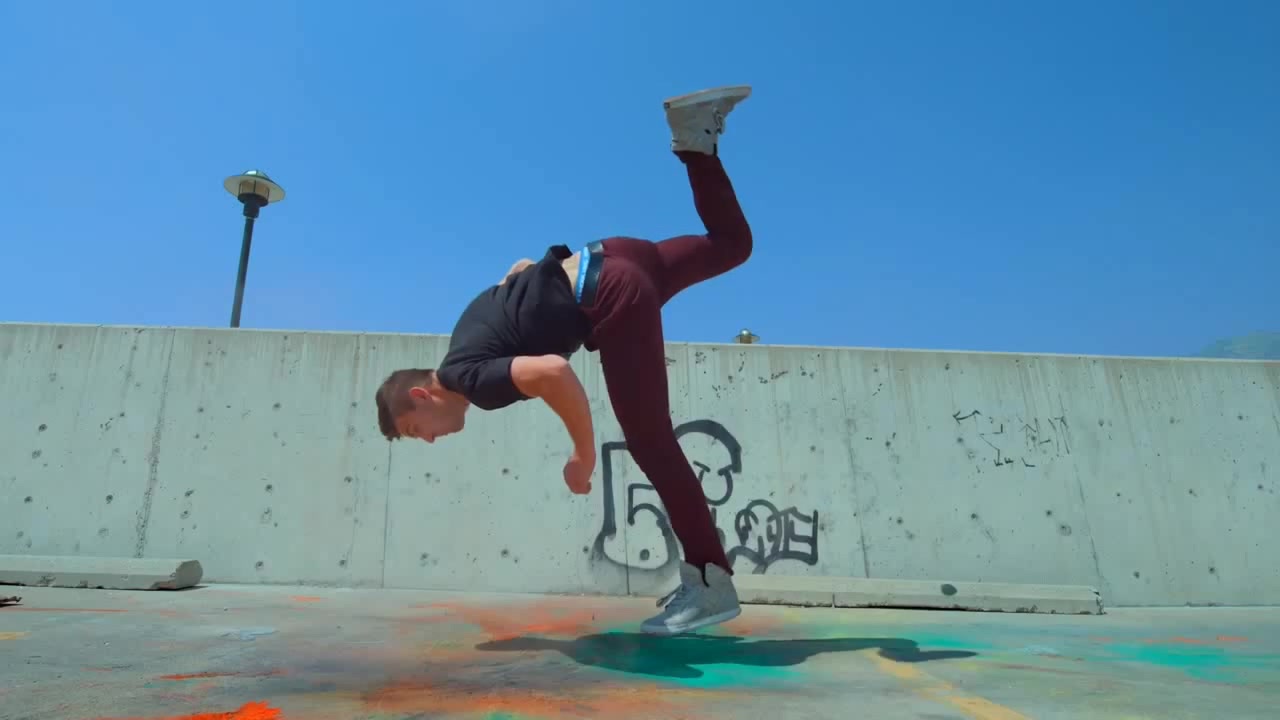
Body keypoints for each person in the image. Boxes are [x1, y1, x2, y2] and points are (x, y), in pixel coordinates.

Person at [374, 85, 754, 635]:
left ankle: (710, 580)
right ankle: (696, 142)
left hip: (612, 292)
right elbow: (516, 269)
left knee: (650, 442)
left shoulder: (469, 378)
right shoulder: (464, 333)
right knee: (732, 244)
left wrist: (582, 454)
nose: (430, 440)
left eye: (417, 430)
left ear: (421, 395)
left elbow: (553, 372)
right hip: (614, 255)